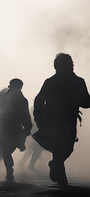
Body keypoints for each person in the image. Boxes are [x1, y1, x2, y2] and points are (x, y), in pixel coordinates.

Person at [33, 53, 90, 186]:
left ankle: (55, 165)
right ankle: (61, 179)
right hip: (53, 120)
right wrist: (38, 117)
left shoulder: (78, 81)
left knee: (68, 148)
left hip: (69, 121)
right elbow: (39, 99)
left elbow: (86, 101)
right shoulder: (51, 82)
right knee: (59, 147)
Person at [0, 78, 32, 182]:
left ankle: (9, 169)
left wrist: (27, 127)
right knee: (6, 152)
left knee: (7, 151)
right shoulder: (3, 98)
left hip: (13, 129)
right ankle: (9, 171)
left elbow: (26, 115)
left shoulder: (22, 100)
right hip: (5, 128)